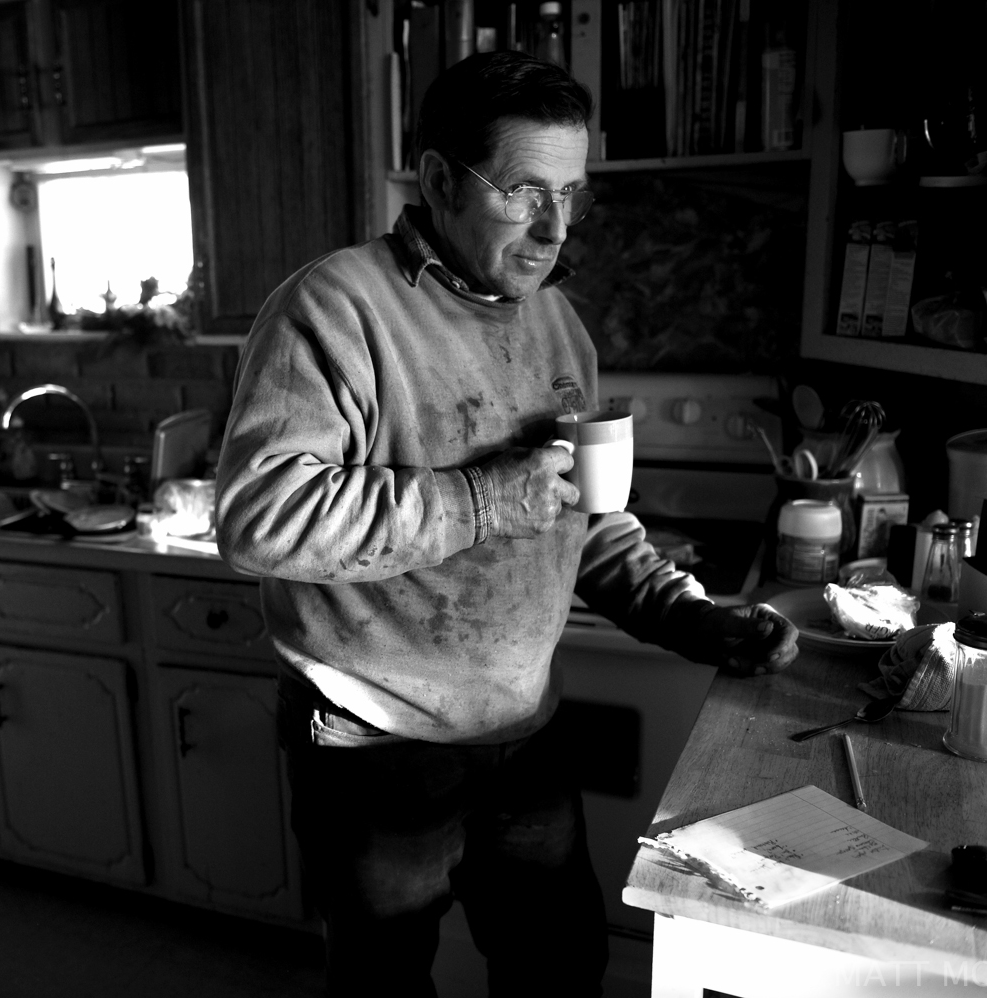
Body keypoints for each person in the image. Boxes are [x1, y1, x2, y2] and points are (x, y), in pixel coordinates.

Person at [214, 51, 799, 998]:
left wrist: (686, 613)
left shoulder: (559, 325)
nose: (555, 229)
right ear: (441, 180)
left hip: (522, 727)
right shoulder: (335, 308)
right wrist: (486, 500)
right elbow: (260, 521)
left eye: (573, 195)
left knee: (559, 964)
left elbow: (584, 517)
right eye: (527, 191)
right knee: (385, 980)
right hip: (374, 738)